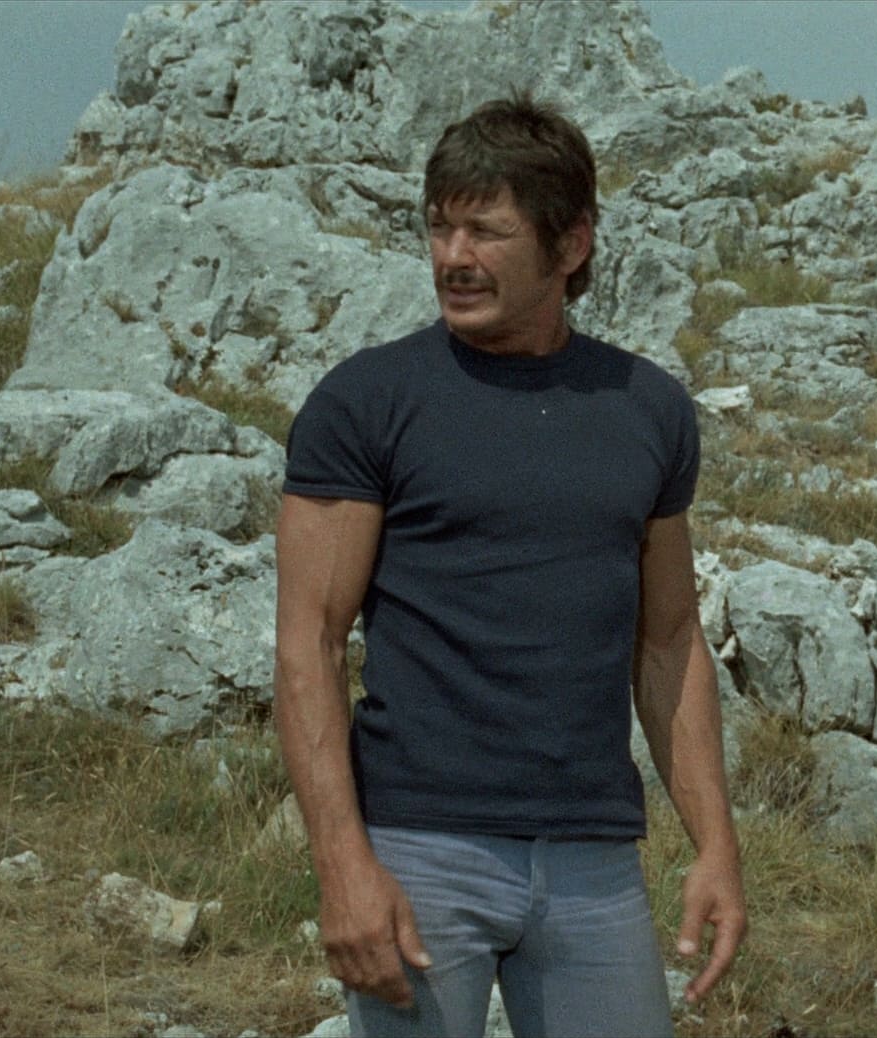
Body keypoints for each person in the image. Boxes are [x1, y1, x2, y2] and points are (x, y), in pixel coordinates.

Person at [272, 91, 746, 1038]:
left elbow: (668, 641)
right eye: (438, 227)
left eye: (485, 232)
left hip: (593, 859)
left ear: (570, 245)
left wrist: (716, 847)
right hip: (418, 849)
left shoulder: (648, 408)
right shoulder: (366, 401)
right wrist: (343, 868)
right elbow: (307, 646)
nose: (452, 257)